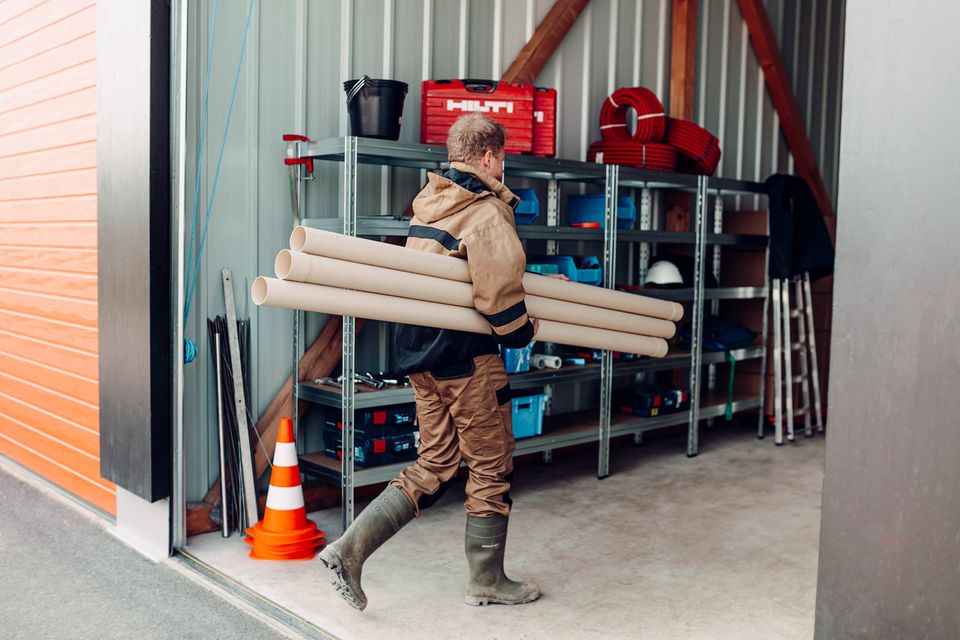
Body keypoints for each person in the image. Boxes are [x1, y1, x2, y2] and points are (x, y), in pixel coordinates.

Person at [319, 114, 541, 610]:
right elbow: (498, 294)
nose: (502, 168)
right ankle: (487, 580)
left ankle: (349, 550)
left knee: (436, 462)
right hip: (465, 360)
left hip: (420, 358)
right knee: (490, 466)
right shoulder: (483, 211)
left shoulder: (429, 202)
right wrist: (525, 332)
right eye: (502, 159)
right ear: (489, 158)